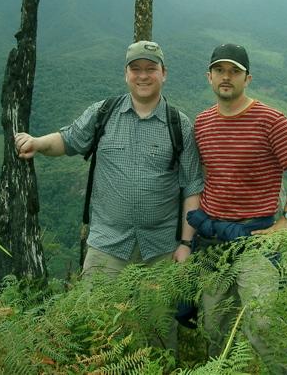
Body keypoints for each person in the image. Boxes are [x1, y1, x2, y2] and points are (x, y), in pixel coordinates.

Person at [14, 40, 203, 350]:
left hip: (159, 250)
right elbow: (68, 140)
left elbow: (192, 187)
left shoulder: (179, 125)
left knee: (157, 333)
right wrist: (37, 143)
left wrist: (184, 244)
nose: (143, 76)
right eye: (136, 69)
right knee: (96, 330)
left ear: (164, 73)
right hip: (107, 245)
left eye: (150, 69)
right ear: (126, 73)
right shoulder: (104, 113)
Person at [190, 43, 287, 373]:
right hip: (212, 242)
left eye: (234, 71)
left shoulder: (269, 120)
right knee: (215, 328)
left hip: (255, 238)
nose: (226, 77)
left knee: (263, 324)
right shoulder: (202, 123)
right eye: (220, 70)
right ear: (209, 77)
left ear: (248, 78)